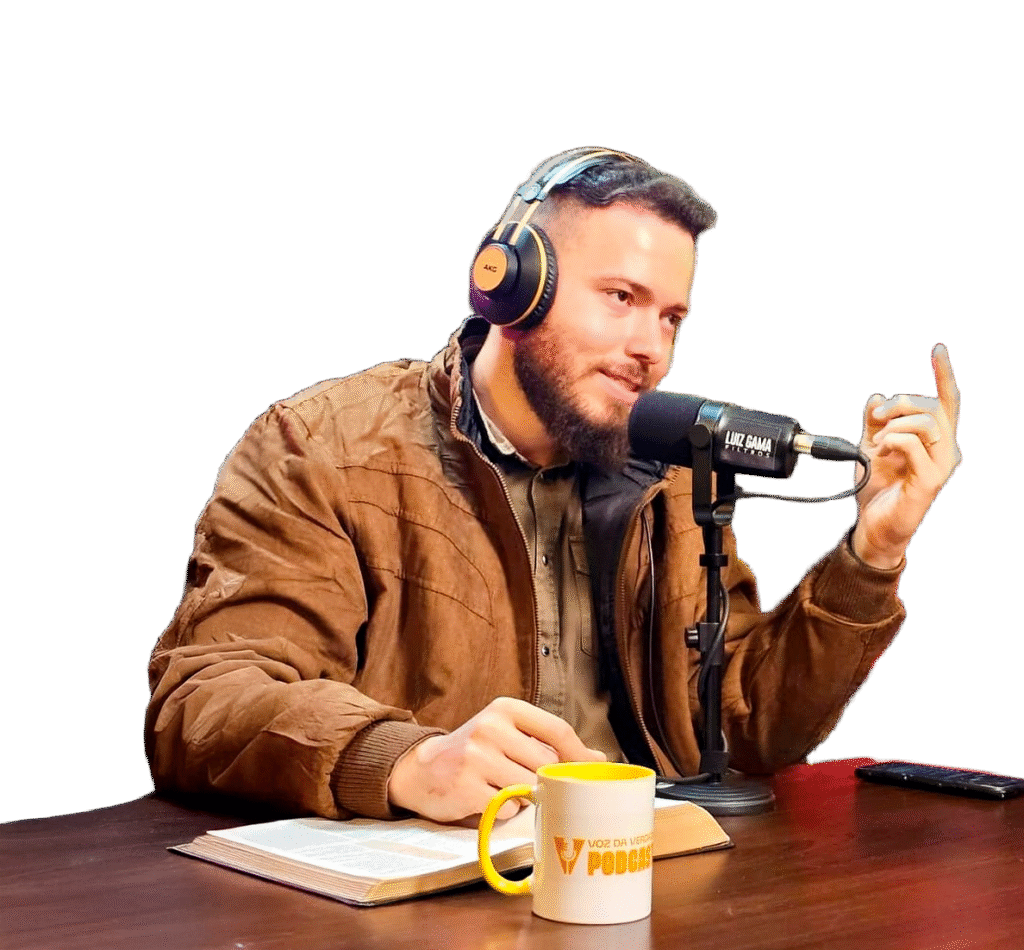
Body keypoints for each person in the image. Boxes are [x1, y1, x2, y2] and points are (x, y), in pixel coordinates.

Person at [146, 148, 961, 824]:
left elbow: (746, 728)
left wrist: (873, 550)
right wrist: (405, 761)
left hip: (643, 881)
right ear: (510, 284)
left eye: (671, 318)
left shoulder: (669, 476)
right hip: (446, 903)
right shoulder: (322, 446)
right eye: (621, 298)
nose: (651, 349)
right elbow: (206, 699)